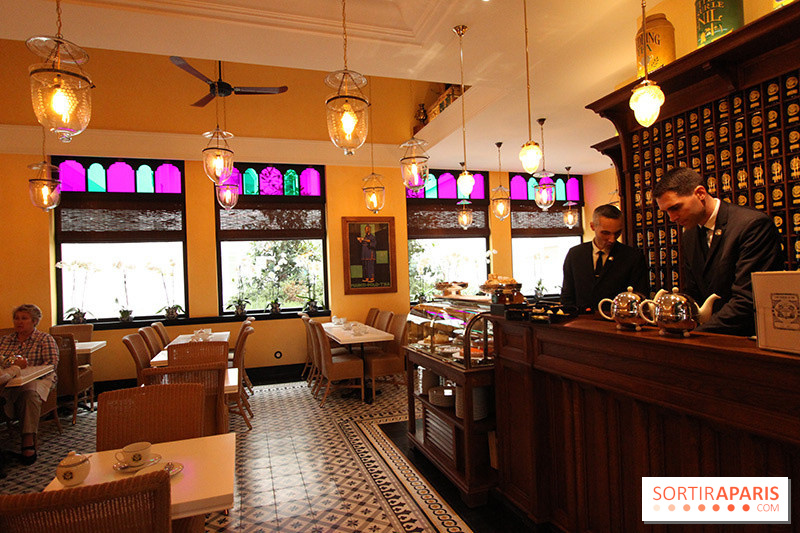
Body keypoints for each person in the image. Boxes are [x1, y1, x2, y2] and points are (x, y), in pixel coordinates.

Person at [654, 167, 783, 336]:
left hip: (749, 338)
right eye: (666, 212)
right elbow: (694, 292)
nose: (672, 218)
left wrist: (696, 333)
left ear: (700, 193)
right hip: (711, 336)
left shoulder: (752, 225)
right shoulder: (689, 235)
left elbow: (748, 299)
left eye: (676, 208)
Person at [561, 204, 649, 313]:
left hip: (616, 319)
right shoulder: (575, 254)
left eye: (617, 233)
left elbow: (640, 296)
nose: (612, 239)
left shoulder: (632, 257)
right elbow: (567, 295)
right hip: (581, 319)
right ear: (592, 226)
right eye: (606, 233)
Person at [0, 304, 59, 465]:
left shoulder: (44, 339)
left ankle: (28, 440)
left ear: (34, 321)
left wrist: (27, 371)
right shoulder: (5, 340)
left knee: (29, 394)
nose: (19, 322)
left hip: (38, 379)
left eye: (24, 318)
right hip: (9, 381)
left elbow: (51, 365)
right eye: (16, 318)